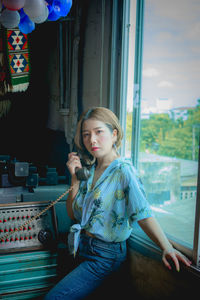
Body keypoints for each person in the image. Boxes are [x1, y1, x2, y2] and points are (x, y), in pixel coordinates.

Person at [45, 107, 191, 299]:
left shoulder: (123, 170)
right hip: (83, 247)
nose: (92, 140)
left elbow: (143, 213)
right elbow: (74, 214)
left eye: (99, 132)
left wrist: (167, 247)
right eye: (86, 135)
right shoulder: (90, 170)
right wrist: (74, 179)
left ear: (114, 134)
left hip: (105, 256)